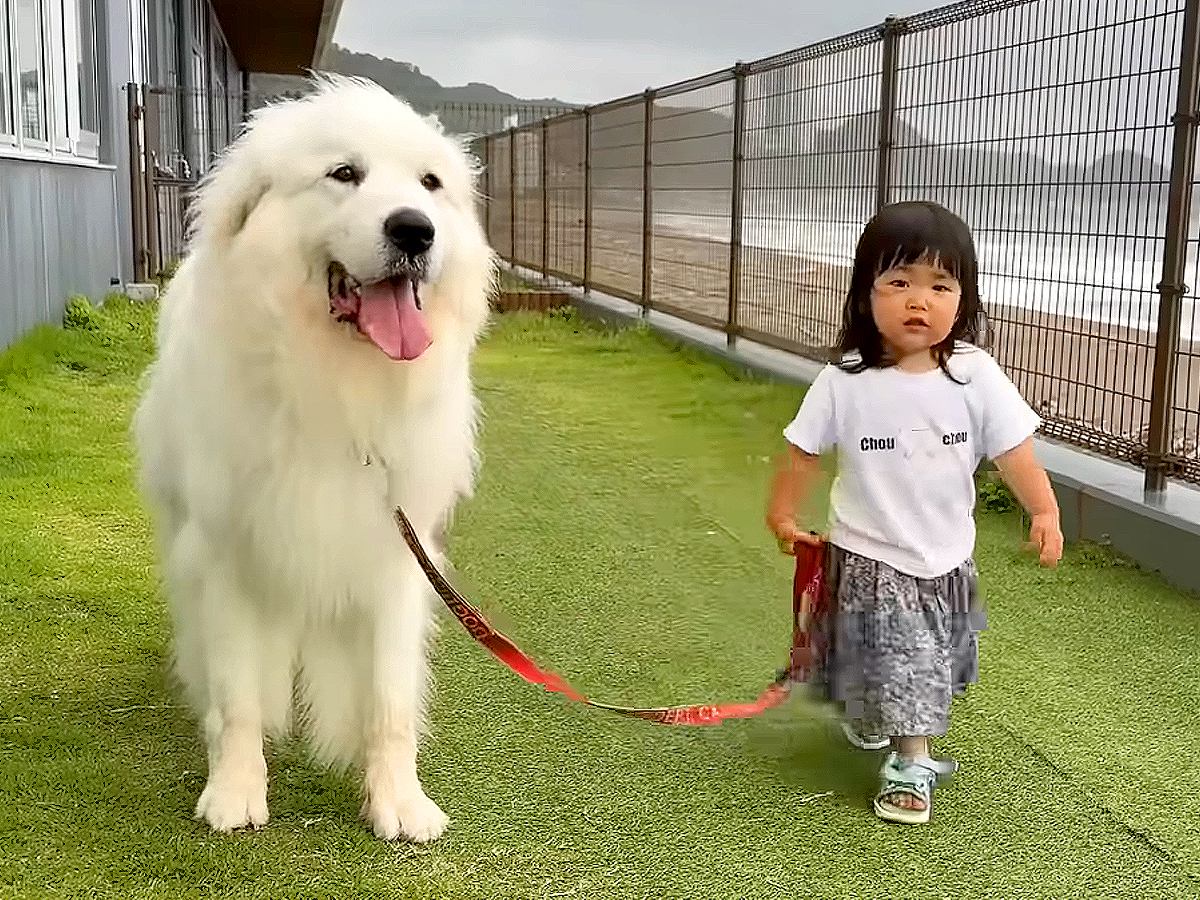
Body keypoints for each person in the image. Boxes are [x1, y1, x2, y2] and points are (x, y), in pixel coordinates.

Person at [765, 200, 1063, 825]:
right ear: (865, 293)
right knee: (888, 655)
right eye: (898, 283)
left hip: (944, 556)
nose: (917, 301)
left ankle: (893, 726)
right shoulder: (845, 379)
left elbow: (1014, 448)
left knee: (920, 658)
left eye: (939, 285)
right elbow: (802, 449)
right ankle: (910, 762)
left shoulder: (974, 375)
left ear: (964, 299)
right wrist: (783, 513)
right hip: (868, 552)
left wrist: (1044, 510)